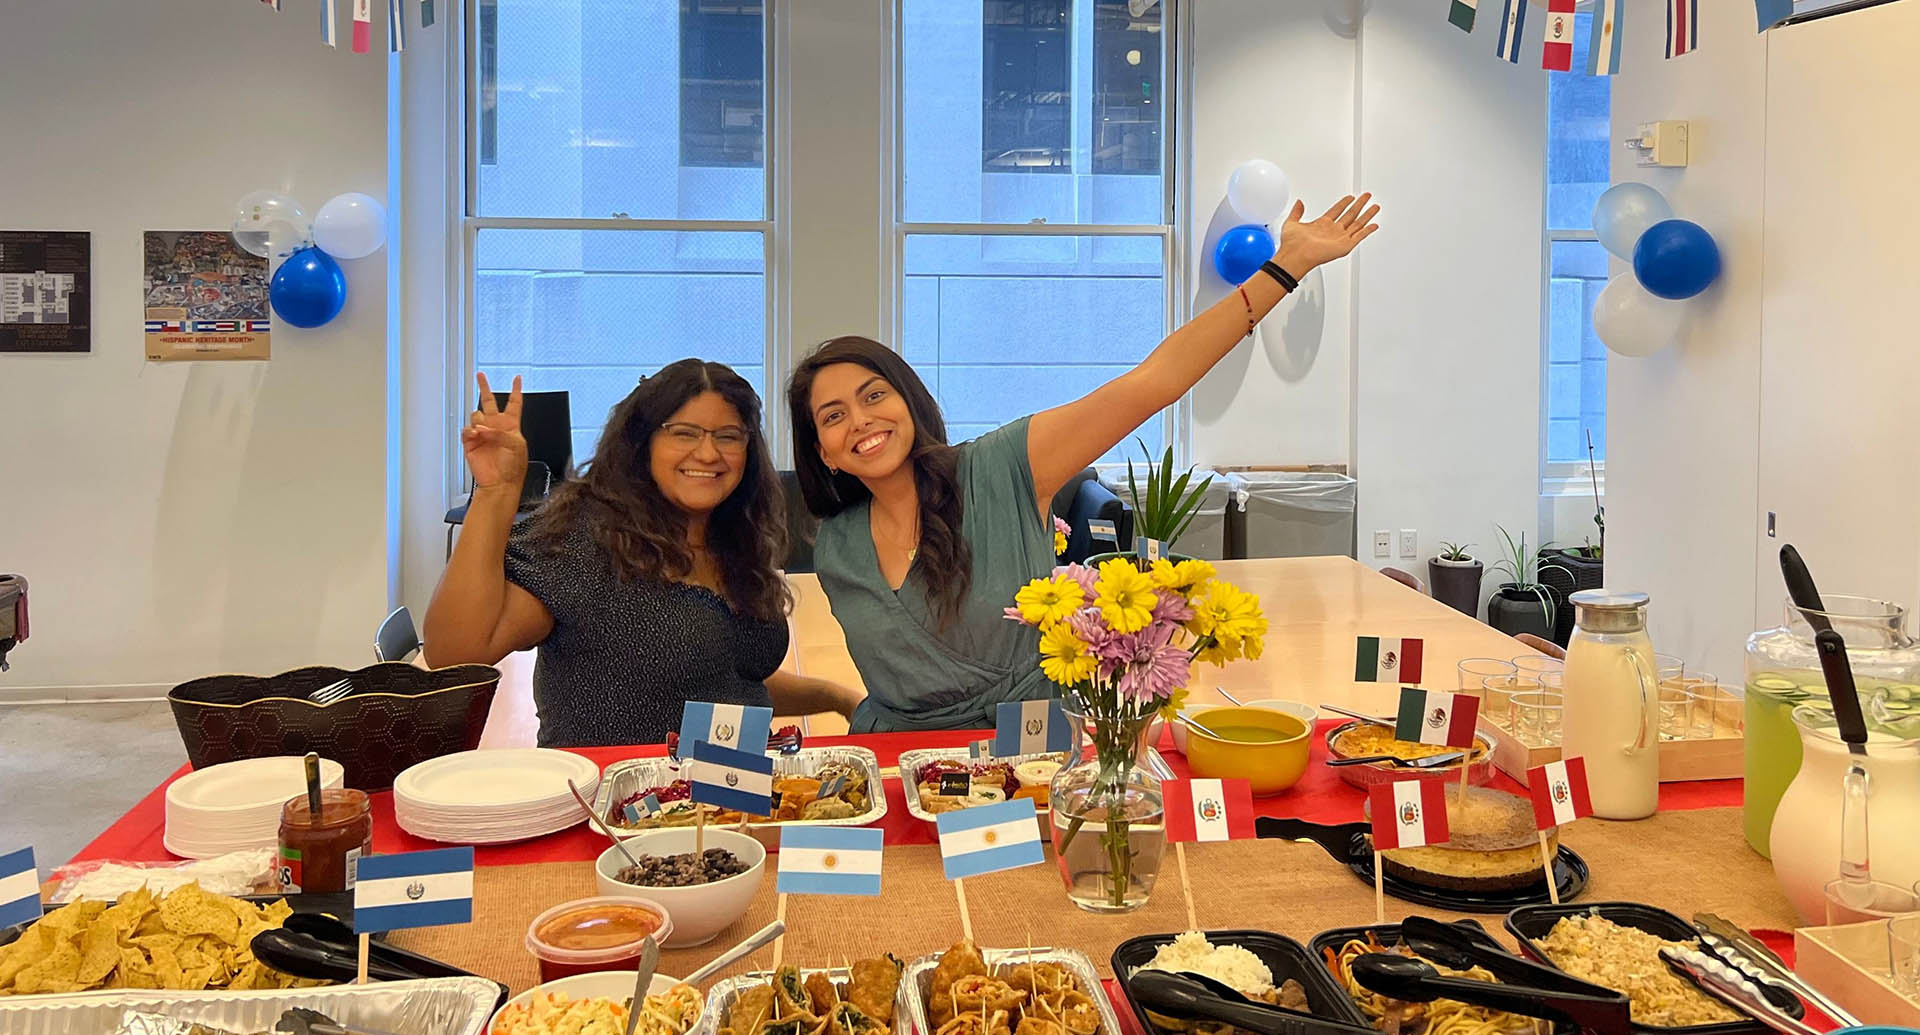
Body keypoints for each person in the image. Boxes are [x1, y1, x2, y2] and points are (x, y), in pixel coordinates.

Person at [788, 194, 1382, 732]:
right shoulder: (837, 547)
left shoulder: (1003, 468)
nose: (860, 420)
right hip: (903, 768)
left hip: (1028, 753)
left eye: (874, 395)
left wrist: (1286, 267)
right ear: (822, 451)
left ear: (909, 400)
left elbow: (1155, 381)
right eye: (833, 416)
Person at [425, 358, 862, 747]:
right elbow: (455, 655)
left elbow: (725, 678)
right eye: (684, 433)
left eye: (728, 436)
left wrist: (835, 697)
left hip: (727, 795)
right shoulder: (585, 540)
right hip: (614, 803)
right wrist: (497, 491)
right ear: (642, 442)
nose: (708, 453)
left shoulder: (733, 540)